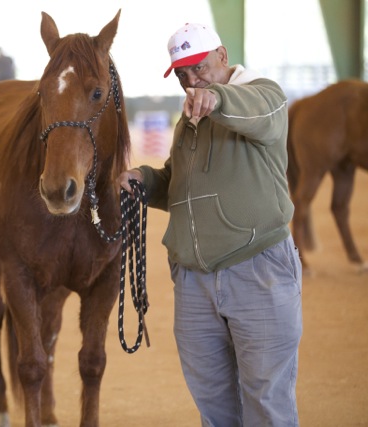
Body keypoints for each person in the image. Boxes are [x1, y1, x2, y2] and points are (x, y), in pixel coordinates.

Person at [118, 23, 303, 425]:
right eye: (182, 74)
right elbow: (179, 183)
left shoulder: (263, 94)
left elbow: (258, 114)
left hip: (258, 271)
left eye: (198, 68)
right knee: (214, 408)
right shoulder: (189, 119)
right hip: (195, 283)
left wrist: (214, 97)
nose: (190, 80)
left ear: (222, 56)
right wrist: (144, 181)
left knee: (267, 404)